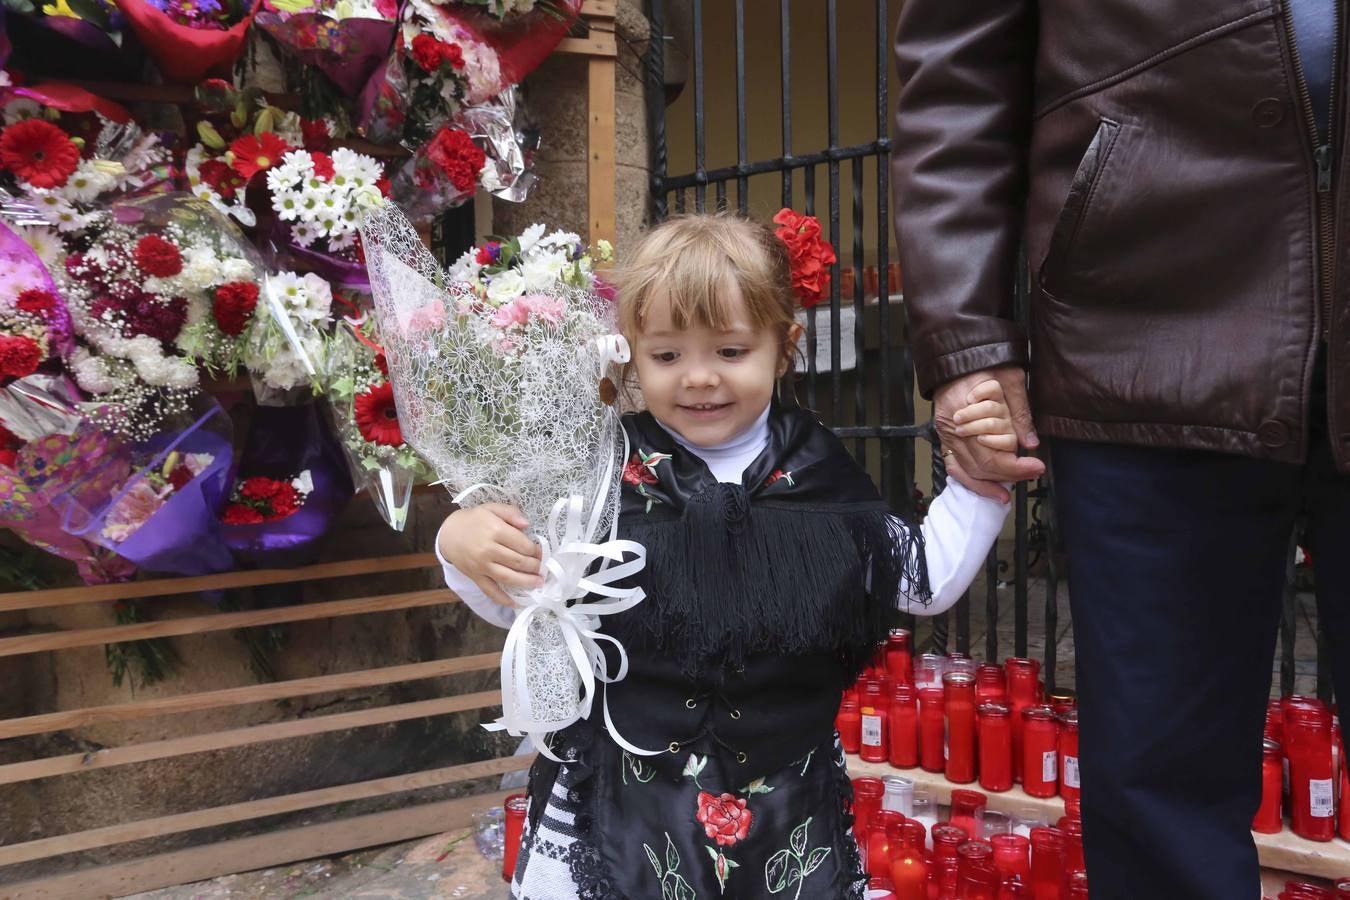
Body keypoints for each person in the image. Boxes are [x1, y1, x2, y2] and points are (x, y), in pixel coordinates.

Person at [891, 2, 1348, 897]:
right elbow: (956, 77)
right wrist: (967, 342)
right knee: (1158, 799)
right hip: (1146, 320)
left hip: (1135, 317)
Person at [436, 213, 1022, 899]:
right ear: (630, 353)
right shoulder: (597, 471)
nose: (699, 378)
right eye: (667, 356)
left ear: (784, 347)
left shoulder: (820, 472)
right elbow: (530, 605)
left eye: (731, 351)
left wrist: (982, 483)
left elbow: (921, 580)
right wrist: (460, 544)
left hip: (783, 813)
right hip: (611, 815)